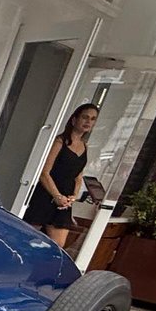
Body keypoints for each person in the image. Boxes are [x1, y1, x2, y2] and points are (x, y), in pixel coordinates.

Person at [22, 103, 98, 248]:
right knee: (27, 237)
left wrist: (73, 197)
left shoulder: (85, 146)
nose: (88, 121)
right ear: (74, 120)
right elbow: (44, 172)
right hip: (47, 193)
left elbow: (78, 177)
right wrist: (57, 196)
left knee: (58, 245)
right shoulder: (60, 142)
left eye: (93, 119)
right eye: (85, 117)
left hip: (65, 200)